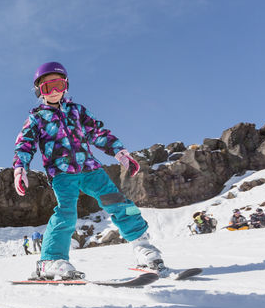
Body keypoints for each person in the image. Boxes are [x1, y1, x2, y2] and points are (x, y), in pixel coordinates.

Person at [12, 61, 166, 279]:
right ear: (39, 91)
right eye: (47, 88)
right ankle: (50, 261)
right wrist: (20, 168)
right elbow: (24, 144)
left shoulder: (77, 111)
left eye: (58, 85)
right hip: (62, 173)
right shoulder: (37, 118)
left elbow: (98, 133)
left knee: (120, 203)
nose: (54, 91)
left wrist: (120, 152)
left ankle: (142, 246)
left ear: (66, 85)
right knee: (66, 213)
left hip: (91, 168)